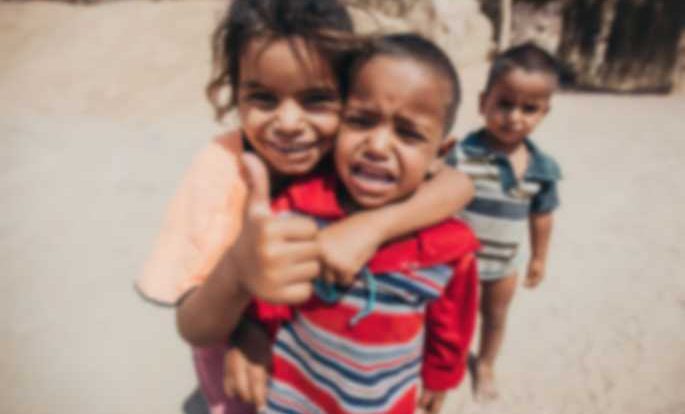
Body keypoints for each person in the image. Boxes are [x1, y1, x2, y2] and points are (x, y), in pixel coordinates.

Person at [135, 1, 475, 412]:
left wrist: (372, 226)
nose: (289, 123)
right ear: (235, 94)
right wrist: (241, 280)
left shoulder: (355, 160)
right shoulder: (219, 174)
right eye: (263, 98)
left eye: (316, 99)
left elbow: (458, 184)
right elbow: (193, 326)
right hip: (237, 372)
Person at [228, 33, 480, 414]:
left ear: (439, 155)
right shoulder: (298, 208)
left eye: (408, 133)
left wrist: (440, 377)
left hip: (382, 400)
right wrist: (249, 332)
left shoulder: (449, 248)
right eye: (361, 121)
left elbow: (451, 324)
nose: (377, 146)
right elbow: (266, 293)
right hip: (296, 394)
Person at [447, 43, 562, 401]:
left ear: (544, 112)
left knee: (495, 317)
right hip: (457, 263)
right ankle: (447, 363)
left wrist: (539, 257)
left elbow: (542, 216)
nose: (514, 117)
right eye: (504, 104)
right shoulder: (459, 155)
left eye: (529, 109)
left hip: (505, 263)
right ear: (484, 103)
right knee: (451, 316)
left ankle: (485, 364)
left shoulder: (542, 168)